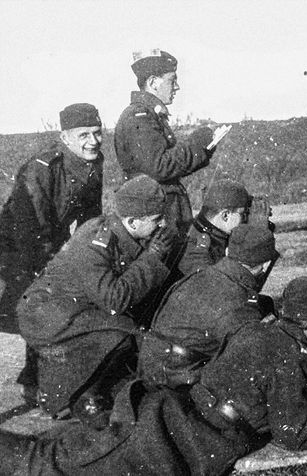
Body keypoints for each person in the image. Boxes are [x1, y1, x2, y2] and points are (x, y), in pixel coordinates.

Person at [0, 277, 307, 476]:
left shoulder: (258, 330)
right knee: (53, 464)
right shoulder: (289, 354)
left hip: (171, 412)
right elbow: (295, 432)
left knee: (67, 448)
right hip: (182, 438)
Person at [17, 175, 175, 426]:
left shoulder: (121, 232)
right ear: (133, 221)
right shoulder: (95, 242)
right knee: (122, 333)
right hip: (45, 314)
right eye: (156, 219)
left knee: (129, 334)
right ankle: (81, 395)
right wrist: (153, 258)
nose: (163, 224)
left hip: (72, 310)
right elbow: (115, 299)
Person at [0, 103, 104, 402]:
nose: (92, 141)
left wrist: (89, 255)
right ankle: (34, 382)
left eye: (97, 133)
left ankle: (36, 382)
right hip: (15, 245)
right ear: (65, 137)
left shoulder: (93, 162)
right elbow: (31, 223)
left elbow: (91, 219)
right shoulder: (42, 167)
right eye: (83, 135)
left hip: (48, 242)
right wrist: (50, 265)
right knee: (33, 306)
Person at [138, 223, 279, 388]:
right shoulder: (238, 302)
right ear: (265, 265)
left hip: (150, 367)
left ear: (228, 252)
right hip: (179, 382)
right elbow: (251, 356)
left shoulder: (201, 274)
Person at [114, 49, 218, 242]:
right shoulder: (139, 117)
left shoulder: (148, 115)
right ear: (153, 82)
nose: (176, 87)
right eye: (172, 80)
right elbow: (160, 167)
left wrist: (205, 148)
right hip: (156, 215)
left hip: (163, 211)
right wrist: (198, 144)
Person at [177, 179, 251, 277]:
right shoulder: (196, 252)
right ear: (225, 216)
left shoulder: (208, 234)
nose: (246, 220)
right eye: (243, 214)